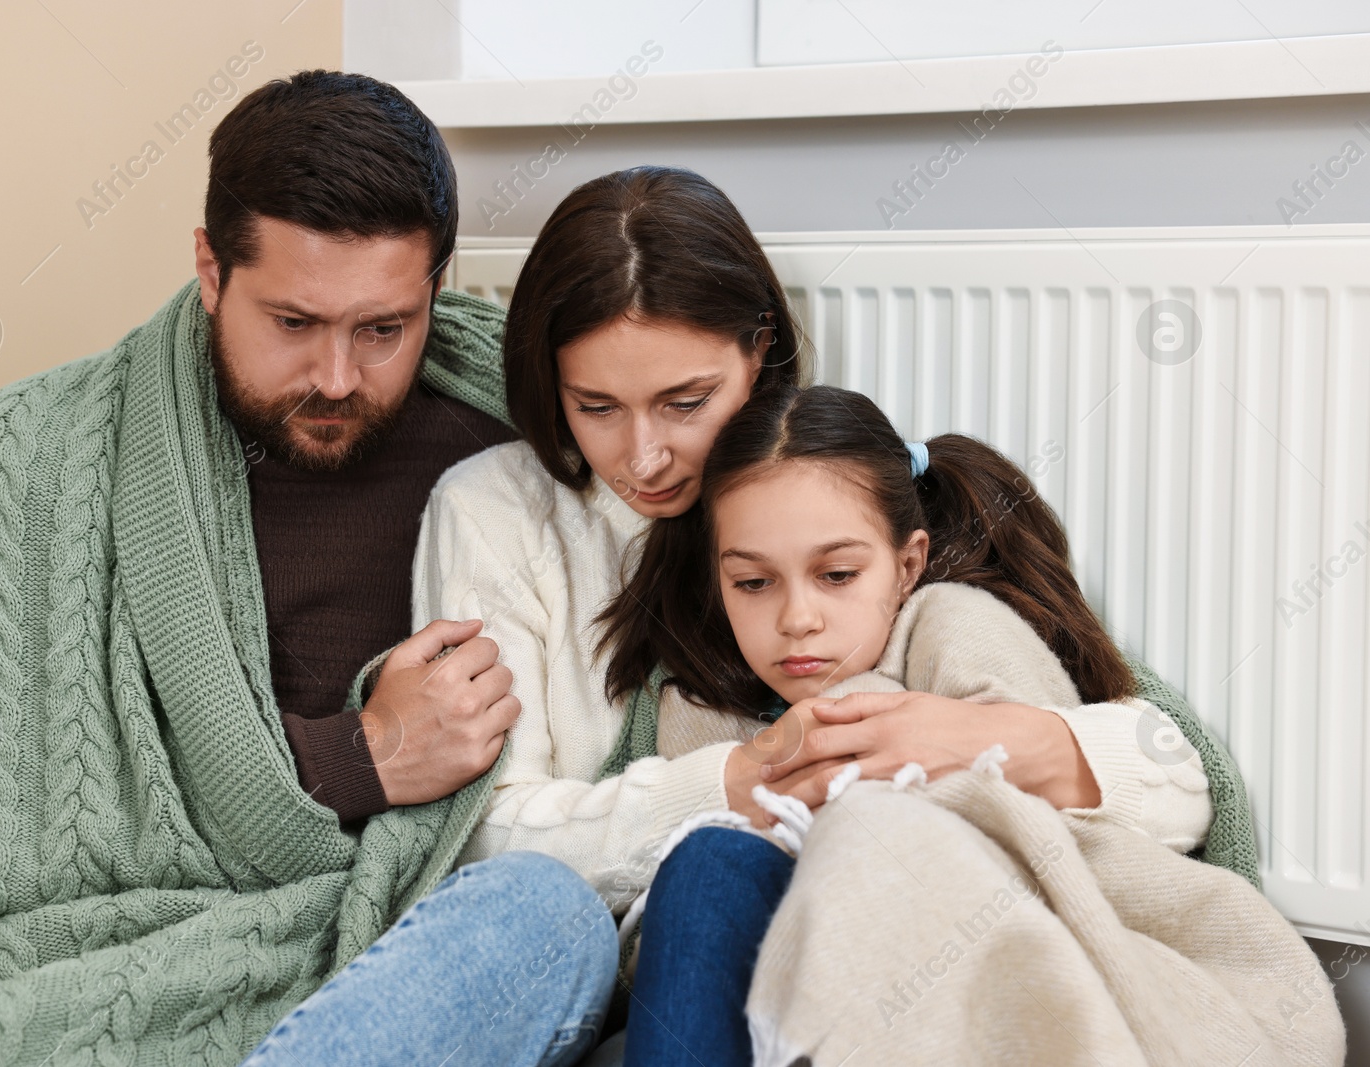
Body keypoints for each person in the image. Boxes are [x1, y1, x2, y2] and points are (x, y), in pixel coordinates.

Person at [0, 72, 615, 1066]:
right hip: (121, 948)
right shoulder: (31, 459)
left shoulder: (537, 437)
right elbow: (1, 828)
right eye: (293, 324)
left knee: (551, 919)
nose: (338, 377)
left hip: (399, 943)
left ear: (435, 281)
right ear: (211, 270)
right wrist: (361, 751)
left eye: (383, 328)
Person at [413, 166, 1256, 1056]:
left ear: (759, 351)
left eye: (686, 403)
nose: (648, 457)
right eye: (597, 408)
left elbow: (1168, 764)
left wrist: (982, 741)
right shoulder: (496, 516)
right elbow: (478, 844)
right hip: (635, 929)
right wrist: (739, 783)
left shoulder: (831, 499)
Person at [613, 383, 1214, 1063]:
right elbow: (657, 934)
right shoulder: (699, 714)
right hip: (786, 992)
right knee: (709, 860)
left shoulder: (953, 627)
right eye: (753, 582)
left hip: (962, 958)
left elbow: (1065, 837)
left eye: (836, 574)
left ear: (907, 565)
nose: (796, 618)